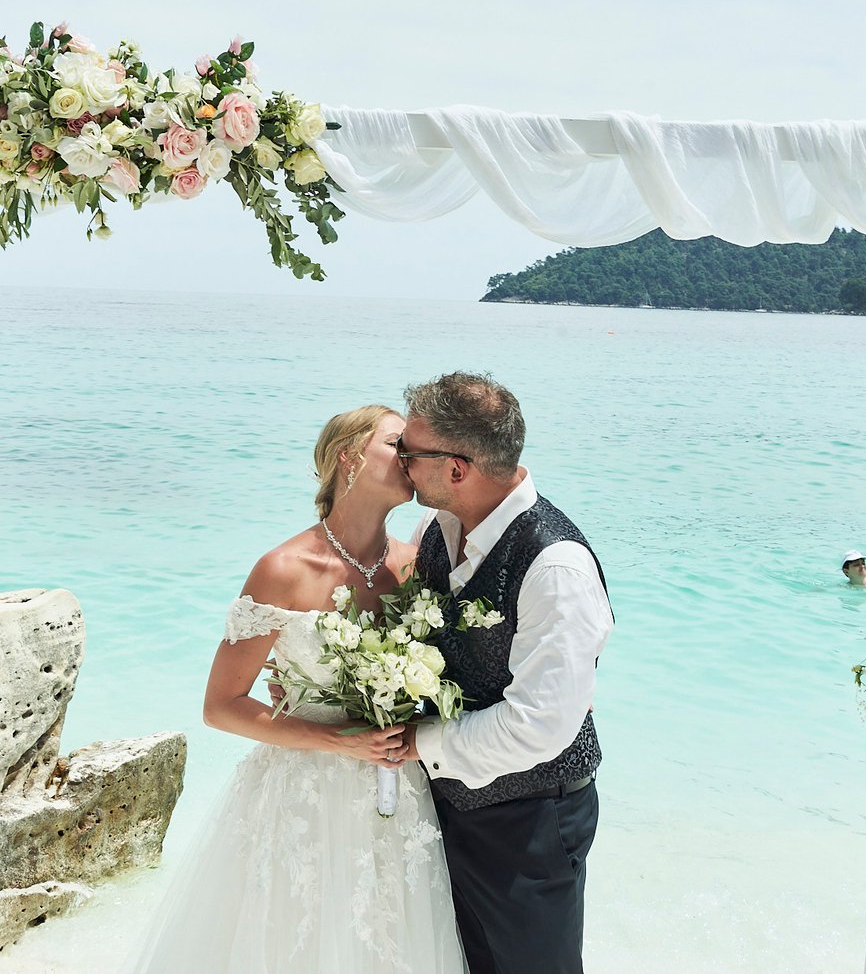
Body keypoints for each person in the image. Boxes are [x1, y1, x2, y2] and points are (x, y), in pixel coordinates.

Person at [122, 405, 467, 974]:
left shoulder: (416, 566)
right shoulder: (282, 568)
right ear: (347, 456)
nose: (411, 459)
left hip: (398, 794)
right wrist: (340, 742)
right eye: (396, 445)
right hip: (301, 797)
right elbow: (221, 707)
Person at [395, 372, 614, 974]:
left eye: (410, 453)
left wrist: (419, 743)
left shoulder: (555, 567)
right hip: (444, 809)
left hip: (532, 824)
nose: (401, 463)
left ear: (457, 468)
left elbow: (539, 727)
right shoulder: (434, 532)